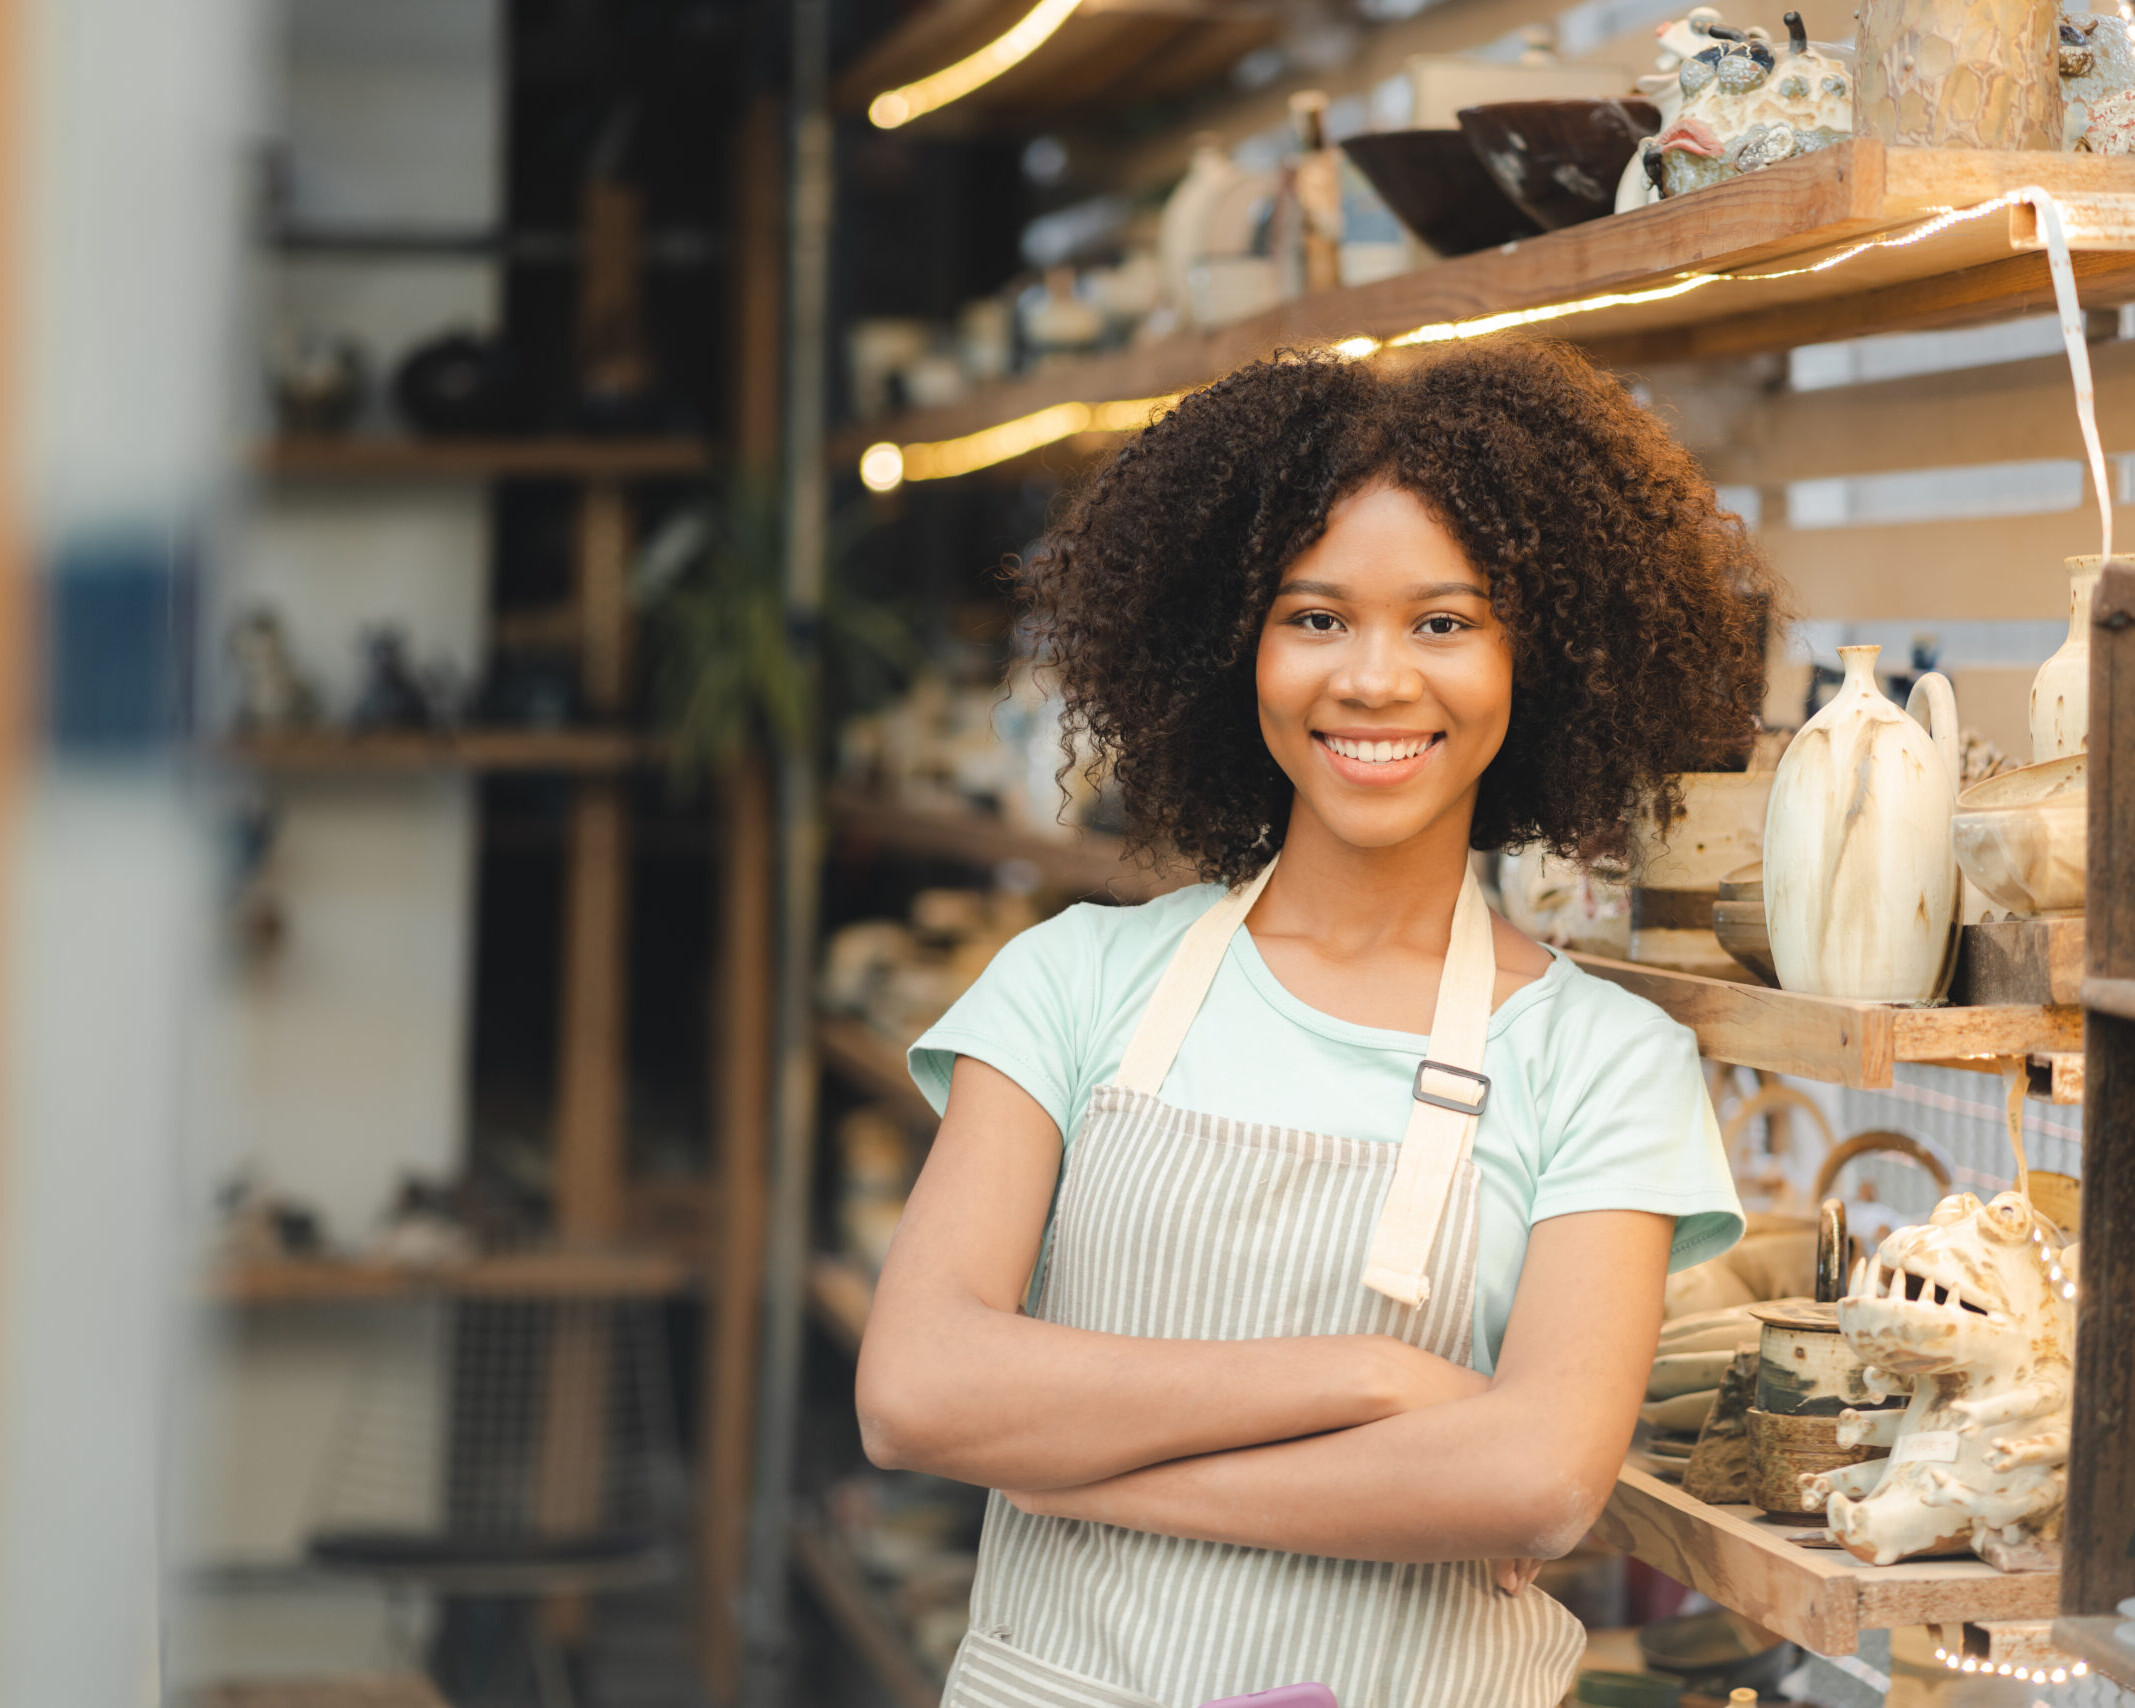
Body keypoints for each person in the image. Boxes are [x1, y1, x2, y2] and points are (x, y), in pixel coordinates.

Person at [856, 340, 1768, 1708]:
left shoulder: (1604, 1064)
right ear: (1234, 647)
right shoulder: (1077, 985)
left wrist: (1088, 1474)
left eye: (1445, 623)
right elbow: (918, 1390)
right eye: (1316, 617)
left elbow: (1533, 1480)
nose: (1375, 680)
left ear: (1543, 657)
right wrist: (1378, 1378)